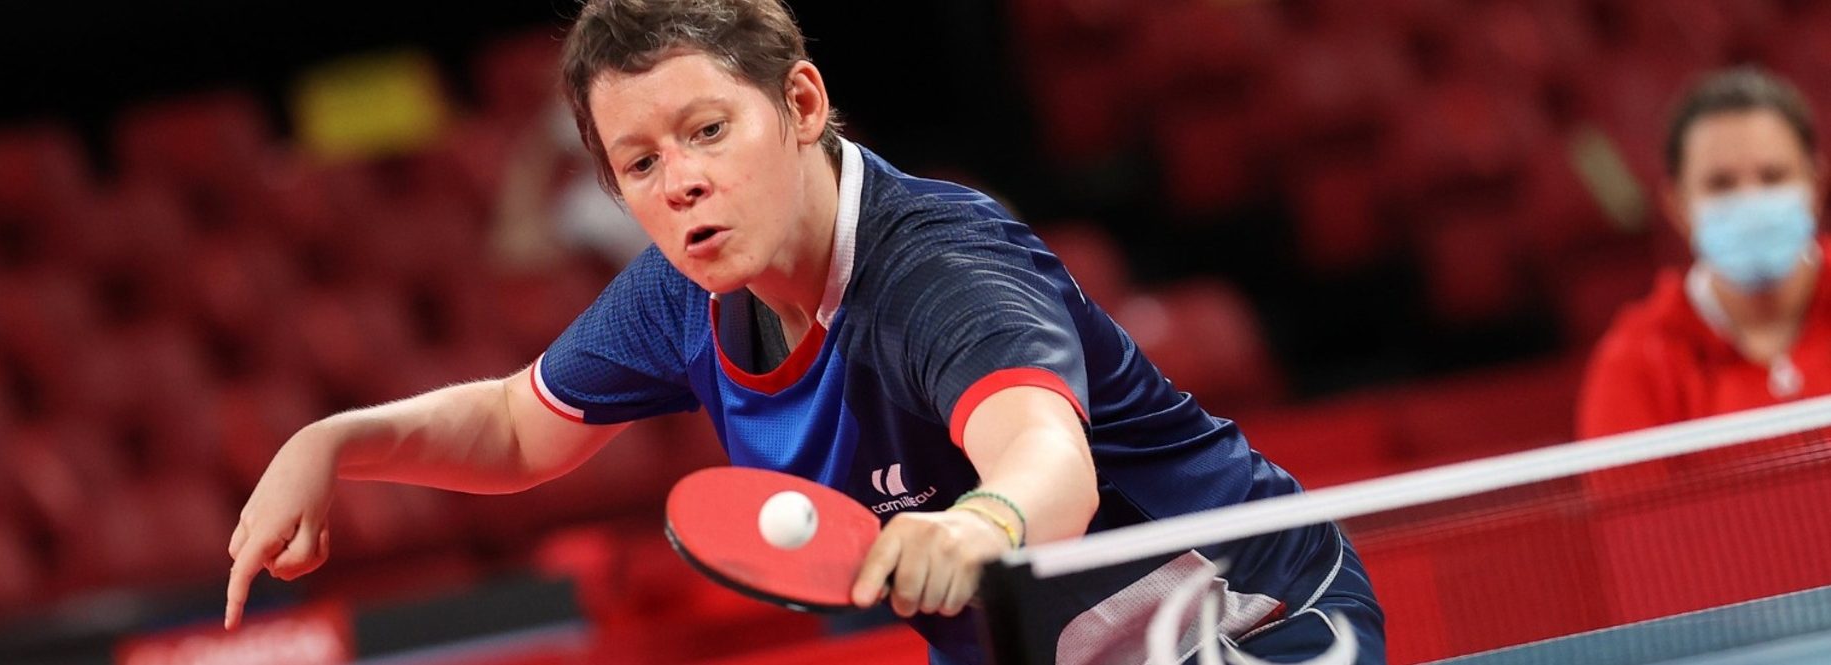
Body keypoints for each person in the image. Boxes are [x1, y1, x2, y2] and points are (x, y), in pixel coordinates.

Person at [226, 1, 1385, 662]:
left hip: (1252, 622)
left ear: (801, 105)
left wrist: (981, 519)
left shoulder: (935, 263)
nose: (678, 181)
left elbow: (1048, 460)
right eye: (639, 161)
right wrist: (331, 441)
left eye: (707, 129)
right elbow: (518, 425)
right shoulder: (683, 289)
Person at [1579, 67, 1831, 439]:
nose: (1750, 201)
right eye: (1721, 184)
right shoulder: (1634, 363)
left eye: (1773, 176)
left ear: (1815, 186)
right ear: (1677, 207)